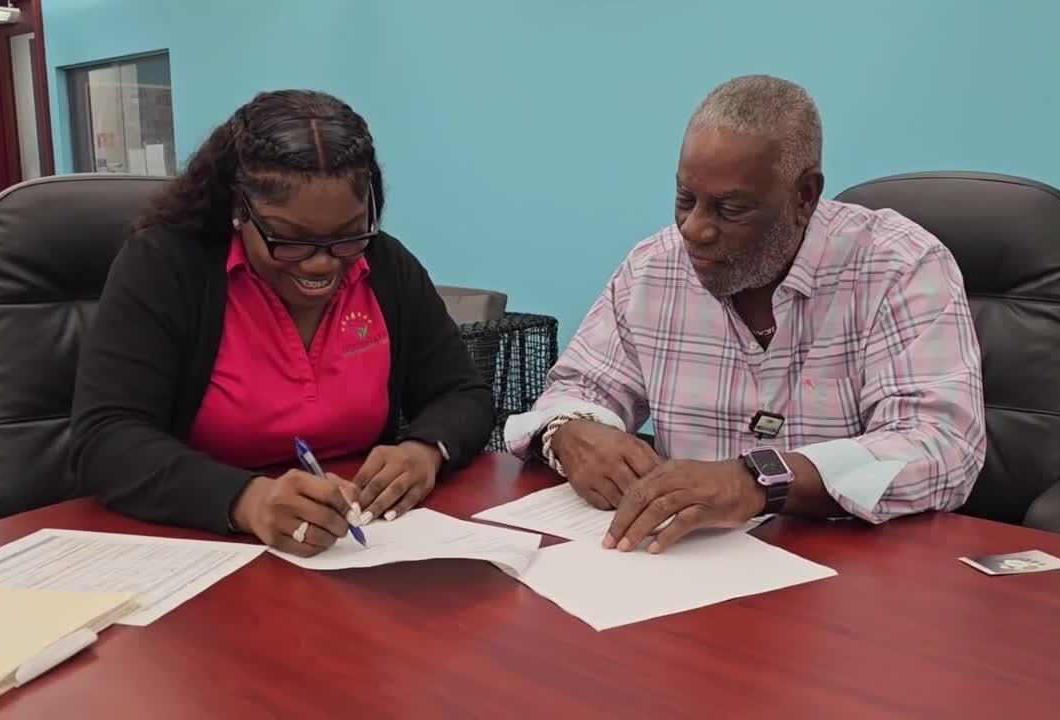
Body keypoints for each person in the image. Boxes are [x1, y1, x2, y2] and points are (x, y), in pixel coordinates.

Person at [505, 75, 986, 553]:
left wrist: (760, 479)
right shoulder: (655, 268)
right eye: (684, 199)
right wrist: (570, 431)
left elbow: (942, 447)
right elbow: (578, 388)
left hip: (849, 574)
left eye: (728, 209)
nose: (694, 229)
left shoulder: (899, 266)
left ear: (804, 197)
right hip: (683, 563)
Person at [70, 89, 494, 557]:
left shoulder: (385, 265)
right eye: (289, 240)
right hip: (198, 549)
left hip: (352, 548)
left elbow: (462, 392)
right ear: (238, 208)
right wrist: (247, 500)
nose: (321, 265)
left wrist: (425, 450)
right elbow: (105, 438)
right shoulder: (168, 265)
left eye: (348, 235)